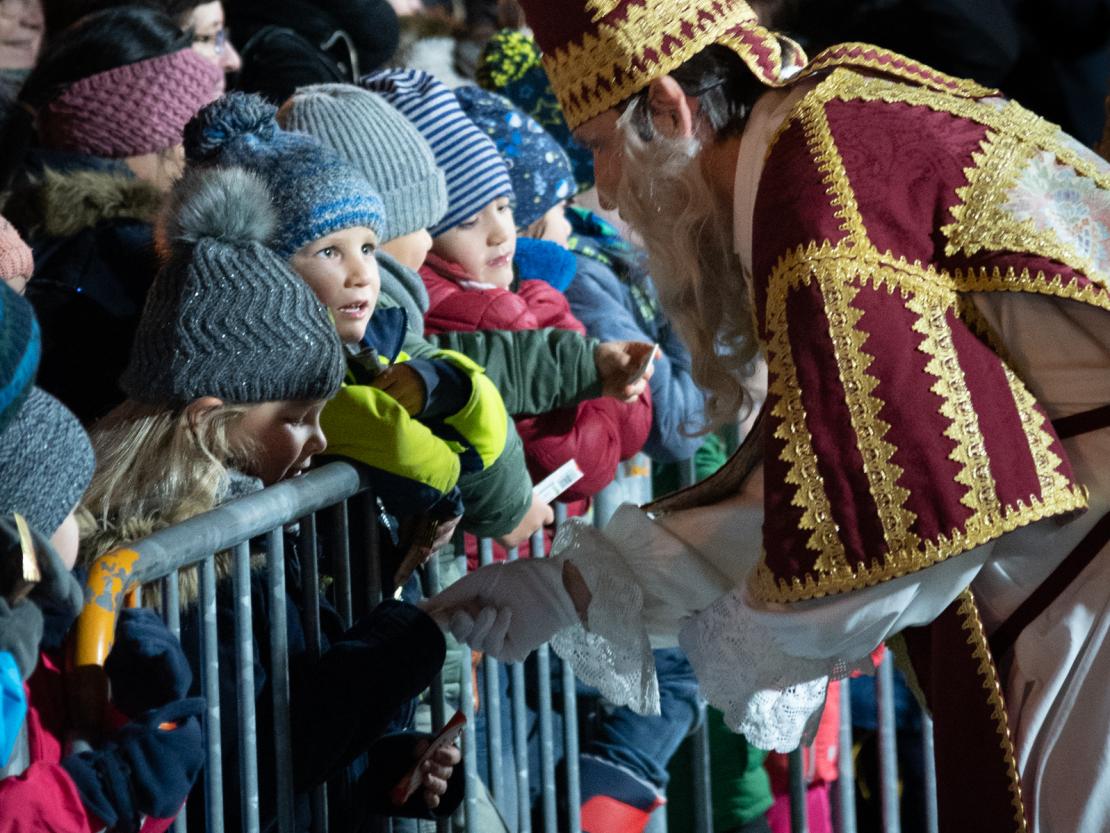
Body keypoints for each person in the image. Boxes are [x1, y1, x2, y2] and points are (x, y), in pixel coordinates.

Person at [425, 2, 1110, 832]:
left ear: (669, 110)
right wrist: (569, 586)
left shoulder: (819, 186)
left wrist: (739, 634)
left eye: (601, 144)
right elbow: (825, 485)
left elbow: (893, 517)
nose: (606, 189)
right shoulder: (830, 121)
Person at [78, 163, 461, 831]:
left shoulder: (249, 526)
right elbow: (259, 757)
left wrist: (390, 770)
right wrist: (412, 636)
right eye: (296, 418)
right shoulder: (187, 571)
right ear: (208, 420)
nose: (319, 441)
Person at [0, 385, 206, 833]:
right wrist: (102, 794)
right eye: (72, 505)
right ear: (29, 529)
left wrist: (136, 723)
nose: (84, 521)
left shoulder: (43, 640)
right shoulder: (16, 647)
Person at [0, 6, 221, 423]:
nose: (196, 154)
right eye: (191, 133)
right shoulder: (129, 255)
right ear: (149, 133)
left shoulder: (21, 215)